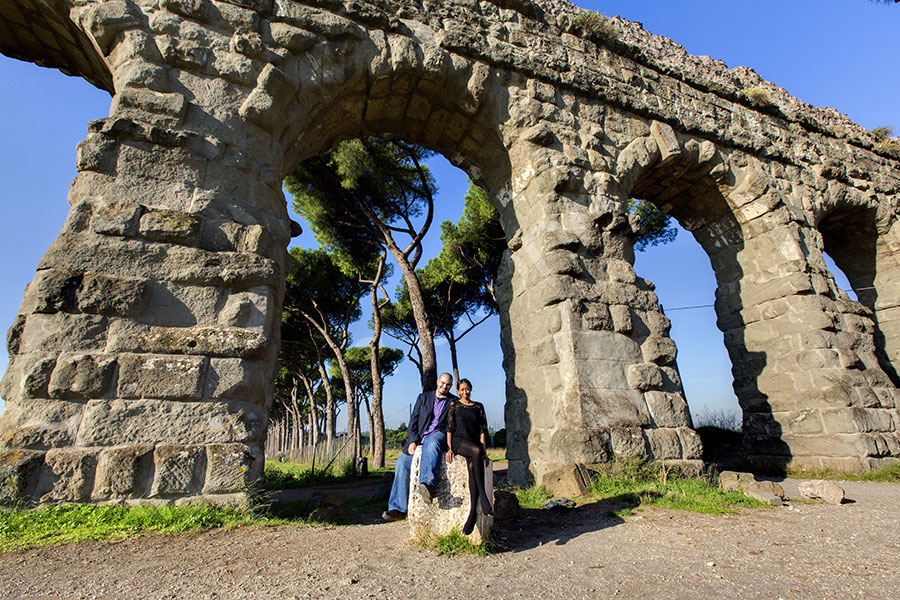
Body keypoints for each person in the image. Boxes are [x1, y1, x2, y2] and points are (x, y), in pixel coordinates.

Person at [382, 372, 456, 521]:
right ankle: (397, 508)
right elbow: (413, 422)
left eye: (448, 384)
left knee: (432, 441)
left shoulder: (453, 401)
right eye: (442, 383)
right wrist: (412, 441)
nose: (444, 386)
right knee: (402, 463)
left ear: (451, 386)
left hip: (438, 436)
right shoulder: (423, 398)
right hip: (419, 439)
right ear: (437, 382)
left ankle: (428, 485)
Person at [445, 378, 493, 535]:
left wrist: (485, 451)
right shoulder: (454, 405)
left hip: (474, 444)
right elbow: (449, 428)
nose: (465, 392)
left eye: (467, 389)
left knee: (474, 466)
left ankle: (472, 515)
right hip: (460, 442)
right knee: (476, 452)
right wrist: (450, 448)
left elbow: (482, 430)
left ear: (471, 389)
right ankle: (484, 498)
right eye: (462, 389)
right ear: (458, 391)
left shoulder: (478, 406)